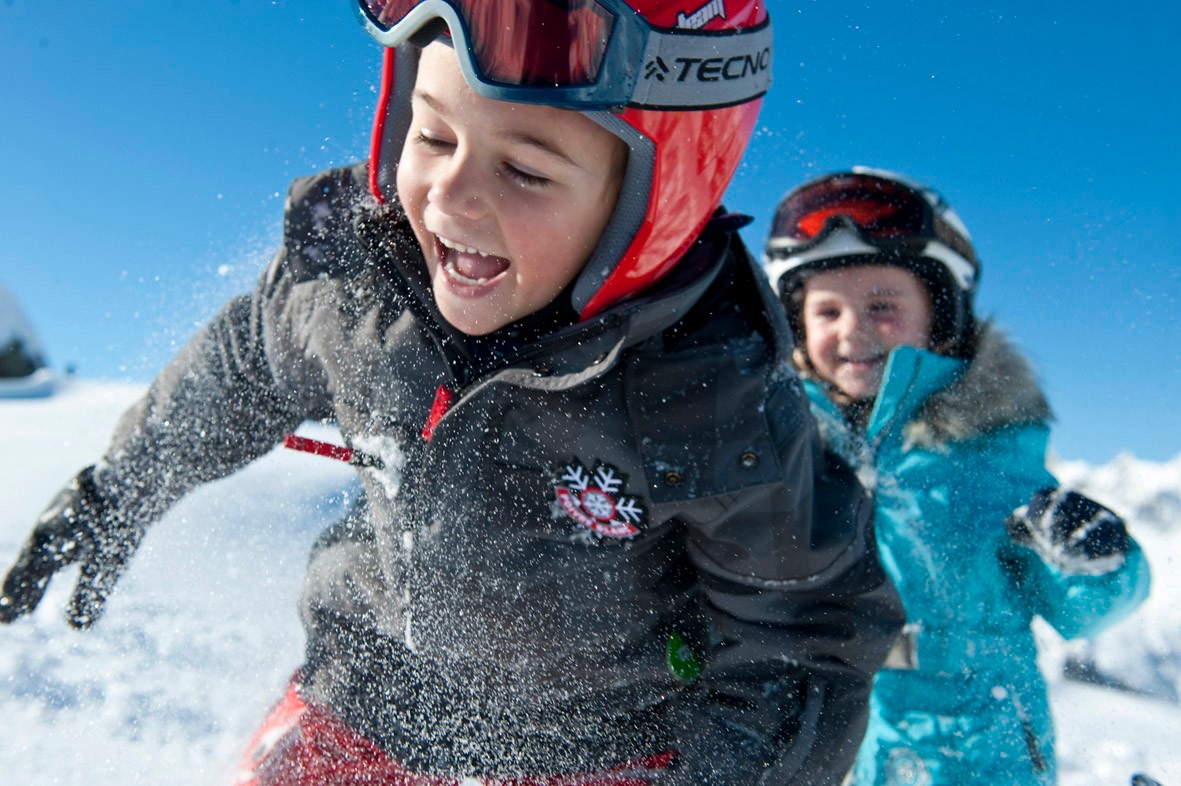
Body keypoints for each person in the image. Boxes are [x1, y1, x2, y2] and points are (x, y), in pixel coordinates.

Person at [0, 3, 904, 784]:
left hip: (604, 749)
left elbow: (798, 631)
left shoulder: (709, 396)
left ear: (654, 201)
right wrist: (117, 490)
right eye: (433, 136)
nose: (452, 196)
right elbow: (242, 362)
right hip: (361, 697)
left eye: (528, 170)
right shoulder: (357, 291)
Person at [762, 167, 1152, 786]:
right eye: (827, 310)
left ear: (940, 314)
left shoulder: (990, 458)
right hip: (833, 748)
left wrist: (1101, 561)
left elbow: (1083, 612)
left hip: (980, 753)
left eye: (882, 306)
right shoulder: (780, 453)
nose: (851, 329)